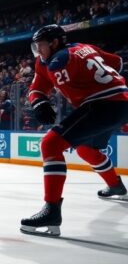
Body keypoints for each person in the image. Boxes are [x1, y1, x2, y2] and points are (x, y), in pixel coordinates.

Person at [21, 24, 128, 237]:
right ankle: (116, 187)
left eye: (41, 45)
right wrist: (38, 101)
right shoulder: (83, 47)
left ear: (54, 42)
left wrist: (41, 100)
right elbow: (117, 62)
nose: (38, 51)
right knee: (86, 149)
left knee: (50, 144)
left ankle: (52, 211)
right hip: (121, 101)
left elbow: (47, 82)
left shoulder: (58, 61)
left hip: (102, 104)